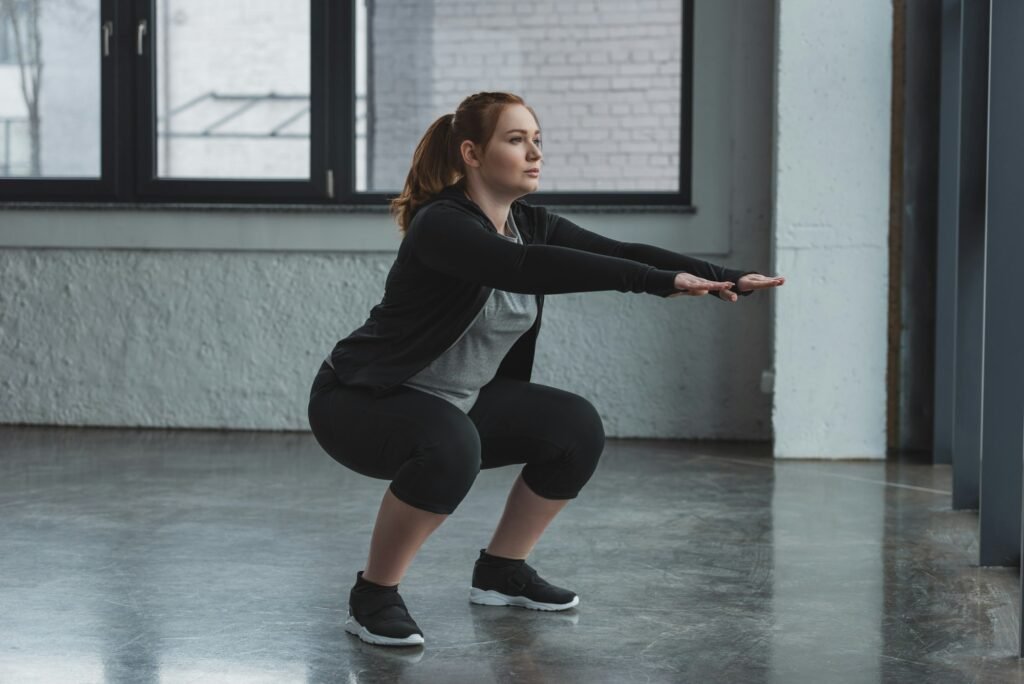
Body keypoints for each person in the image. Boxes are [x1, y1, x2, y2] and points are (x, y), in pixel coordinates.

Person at [307, 91, 786, 648]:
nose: (535, 152)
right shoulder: (442, 224)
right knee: (451, 444)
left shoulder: (526, 223)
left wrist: (725, 275)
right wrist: (656, 284)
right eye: (516, 140)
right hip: (362, 401)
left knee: (574, 427)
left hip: (454, 402)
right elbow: (521, 268)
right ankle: (373, 597)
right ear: (471, 152)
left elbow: (623, 249)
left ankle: (501, 572)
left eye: (537, 139)